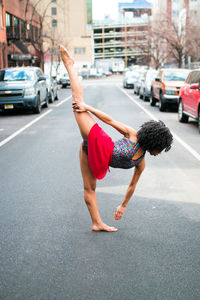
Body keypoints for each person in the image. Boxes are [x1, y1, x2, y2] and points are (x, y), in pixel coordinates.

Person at [59, 45, 173, 232]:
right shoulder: (132, 135)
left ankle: (97, 223)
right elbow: (109, 120)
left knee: (89, 188)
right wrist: (88, 108)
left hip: (89, 152)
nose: (159, 153)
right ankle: (70, 65)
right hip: (98, 140)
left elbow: (132, 186)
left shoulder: (141, 162)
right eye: (159, 149)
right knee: (77, 102)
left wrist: (123, 206)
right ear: (155, 142)